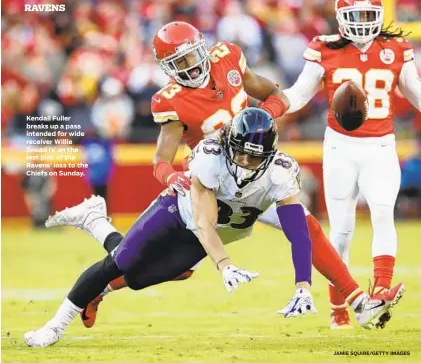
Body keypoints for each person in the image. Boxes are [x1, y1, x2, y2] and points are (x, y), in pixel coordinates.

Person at [68, 20, 402, 330]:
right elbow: (161, 160)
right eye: (179, 63)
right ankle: (102, 277)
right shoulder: (169, 101)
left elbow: (277, 96)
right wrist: (172, 178)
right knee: (170, 266)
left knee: (305, 225)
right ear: (167, 68)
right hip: (216, 185)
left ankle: (359, 302)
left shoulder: (228, 58)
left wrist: (263, 117)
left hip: (254, 169)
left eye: (190, 58)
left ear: (202, 47)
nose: (189, 67)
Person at [24, 109, 402, 348]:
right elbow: (204, 223)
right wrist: (224, 265)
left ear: (269, 156)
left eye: (254, 156)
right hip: (179, 211)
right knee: (121, 262)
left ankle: (95, 221)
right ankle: (55, 326)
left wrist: (303, 284)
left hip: (218, 228)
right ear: (227, 144)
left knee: (142, 277)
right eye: (239, 152)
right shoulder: (209, 158)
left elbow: (299, 234)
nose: (244, 161)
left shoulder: (280, 173)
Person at [282, 0, 421, 328]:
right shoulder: (324, 49)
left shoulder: (395, 49)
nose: (361, 23)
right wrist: (265, 103)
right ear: (341, 17)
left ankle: (381, 291)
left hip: (380, 146)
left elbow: (417, 94)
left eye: (367, 15)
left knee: (383, 215)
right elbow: (298, 96)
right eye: (354, 15)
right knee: (341, 231)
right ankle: (339, 307)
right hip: (340, 147)